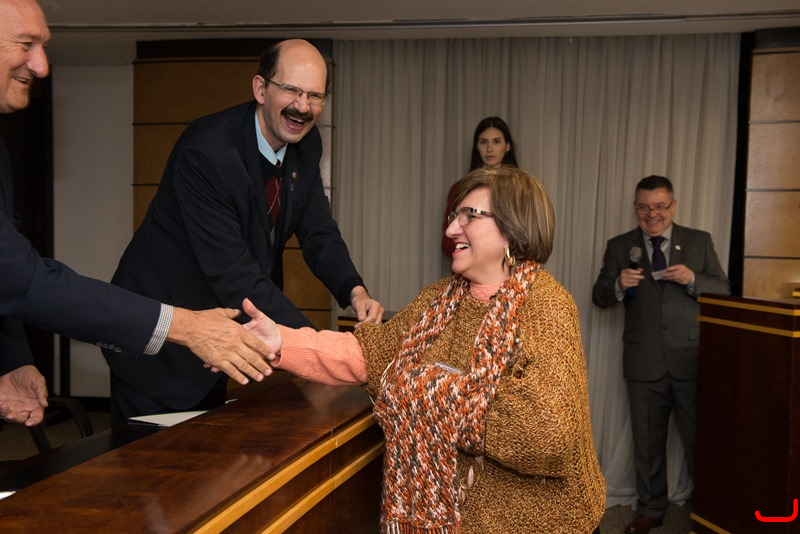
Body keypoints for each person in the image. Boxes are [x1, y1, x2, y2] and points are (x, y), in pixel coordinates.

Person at [245, 167, 605, 533]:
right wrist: (279, 340)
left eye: (470, 216)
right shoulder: (437, 299)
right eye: (453, 217)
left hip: (538, 523)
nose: (451, 230)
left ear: (512, 228)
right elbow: (370, 356)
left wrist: (427, 391)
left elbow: (546, 434)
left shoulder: (547, 306)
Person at [0, 0, 273, 427]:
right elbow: (23, 277)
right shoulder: (206, 152)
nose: (41, 65)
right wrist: (184, 326)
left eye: (44, 46)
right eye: (26, 44)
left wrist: (10, 360)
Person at [104, 38, 383, 426]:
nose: (303, 107)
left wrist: (354, 290)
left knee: (208, 451)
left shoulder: (305, 144)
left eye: (315, 95)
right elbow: (234, 273)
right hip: (160, 340)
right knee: (152, 460)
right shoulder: (207, 152)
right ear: (261, 88)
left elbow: (318, 230)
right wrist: (322, 353)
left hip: (220, 339)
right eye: (291, 90)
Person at [592, 175, 730, 534]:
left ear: (673, 206)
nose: (651, 214)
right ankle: (651, 510)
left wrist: (693, 279)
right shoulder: (619, 245)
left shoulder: (699, 241)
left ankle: (709, 509)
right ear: (635, 208)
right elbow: (599, 295)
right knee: (648, 444)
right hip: (643, 361)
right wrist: (618, 285)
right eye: (643, 207)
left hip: (690, 358)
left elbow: (724, 289)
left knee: (701, 441)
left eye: (659, 206)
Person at [441, 116, 518, 257]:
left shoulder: (521, 191)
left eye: (496, 141)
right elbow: (447, 244)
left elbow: (528, 239)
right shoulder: (459, 189)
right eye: (483, 142)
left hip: (511, 266)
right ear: (477, 146)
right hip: (467, 266)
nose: (489, 148)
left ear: (507, 146)